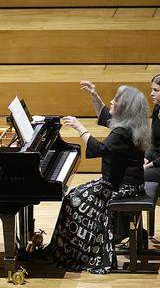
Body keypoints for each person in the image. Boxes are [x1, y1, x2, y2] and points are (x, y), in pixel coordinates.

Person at [47, 83, 150, 273]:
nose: (112, 101)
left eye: (116, 100)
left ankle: (78, 252)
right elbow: (106, 118)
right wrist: (95, 97)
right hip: (128, 183)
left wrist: (80, 127)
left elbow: (98, 149)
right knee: (75, 194)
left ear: (124, 108)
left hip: (121, 187)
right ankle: (74, 248)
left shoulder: (121, 132)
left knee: (73, 199)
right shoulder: (130, 125)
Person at [142, 74, 160, 181]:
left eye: (156, 90)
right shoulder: (157, 109)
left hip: (158, 163)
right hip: (155, 158)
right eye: (151, 89)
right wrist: (146, 158)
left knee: (134, 175)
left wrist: (148, 166)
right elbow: (152, 140)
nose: (151, 93)